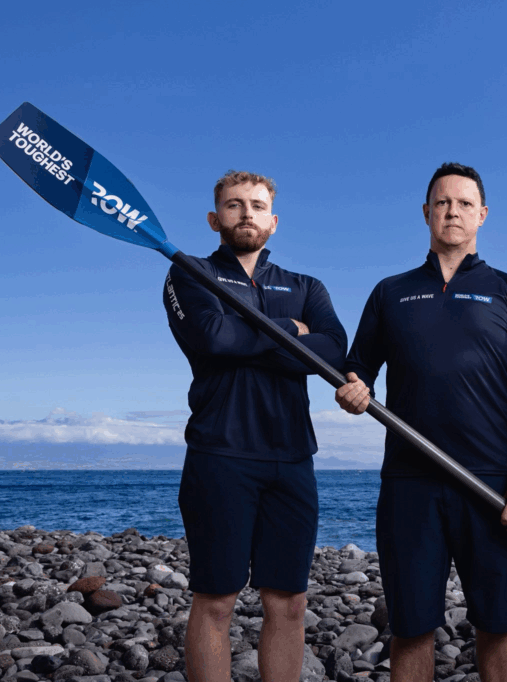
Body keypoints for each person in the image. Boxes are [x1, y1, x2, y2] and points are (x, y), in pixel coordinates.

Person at [334, 162, 507, 682]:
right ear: (427, 212)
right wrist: (353, 389)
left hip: (491, 485)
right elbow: (357, 369)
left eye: (464, 203)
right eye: (443, 202)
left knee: (498, 624)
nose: (453, 211)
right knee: (411, 628)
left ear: (482, 214)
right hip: (410, 483)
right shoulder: (391, 292)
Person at [163, 170, 347, 682]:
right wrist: (291, 332)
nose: (247, 213)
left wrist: (246, 338)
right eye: (235, 204)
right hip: (220, 454)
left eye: (258, 205)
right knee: (216, 600)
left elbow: (333, 351)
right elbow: (212, 339)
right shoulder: (190, 272)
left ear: (274, 220)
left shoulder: (306, 285)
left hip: (292, 457)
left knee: (289, 602)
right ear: (214, 218)